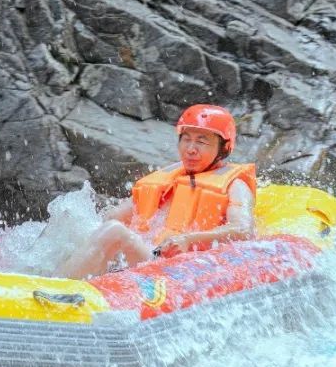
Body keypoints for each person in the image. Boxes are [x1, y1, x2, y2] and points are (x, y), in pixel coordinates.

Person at [56, 104, 256, 278]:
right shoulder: (166, 181)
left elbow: (243, 230)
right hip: (152, 256)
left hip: (180, 271)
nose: (191, 149)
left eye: (202, 142)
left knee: (114, 232)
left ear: (224, 148)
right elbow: (114, 216)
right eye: (186, 139)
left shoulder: (235, 185)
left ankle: (55, 289)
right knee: (79, 222)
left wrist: (189, 240)